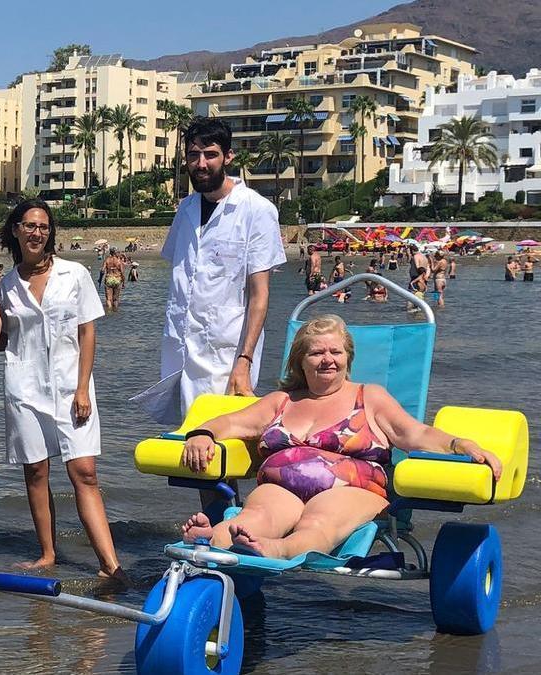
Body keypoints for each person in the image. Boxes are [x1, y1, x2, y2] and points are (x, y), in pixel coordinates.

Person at [179, 315, 502, 559]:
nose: (327, 359)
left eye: (336, 351)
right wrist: (203, 434)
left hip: (352, 489)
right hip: (281, 489)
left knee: (318, 522)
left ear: (348, 358)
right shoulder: (282, 400)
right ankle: (209, 541)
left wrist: (459, 444)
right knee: (255, 516)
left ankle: (278, 550)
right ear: (300, 361)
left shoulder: (369, 396)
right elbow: (232, 422)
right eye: (316, 353)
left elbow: (413, 433)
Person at [0, 200, 123, 579]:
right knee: (35, 471)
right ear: (15, 230)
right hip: (24, 389)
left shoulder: (75, 274)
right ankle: (47, 554)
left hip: (71, 387)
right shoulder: (8, 285)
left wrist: (83, 389)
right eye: (29, 226)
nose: (37, 233)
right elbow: (0, 337)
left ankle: (109, 564)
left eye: (44, 227)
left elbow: (87, 332)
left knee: (84, 472)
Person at [158, 117, 284, 513]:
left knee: (222, 451)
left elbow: (259, 295)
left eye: (210, 155)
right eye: (193, 155)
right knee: (198, 456)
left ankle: (229, 533)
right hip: (183, 351)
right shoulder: (186, 208)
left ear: (228, 157)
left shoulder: (256, 210)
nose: (201, 163)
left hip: (228, 353)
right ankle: (213, 533)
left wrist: (243, 362)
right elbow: (183, 278)